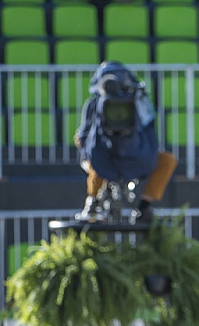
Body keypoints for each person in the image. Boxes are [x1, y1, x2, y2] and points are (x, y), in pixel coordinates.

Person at [75, 61, 177, 223]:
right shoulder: (93, 105)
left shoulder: (140, 102)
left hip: (136, 157)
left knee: (167, 161)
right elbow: (84, 136)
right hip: (104, 157)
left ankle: (144, 207)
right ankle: (92, 204)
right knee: (95, 162)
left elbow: (148, 130)